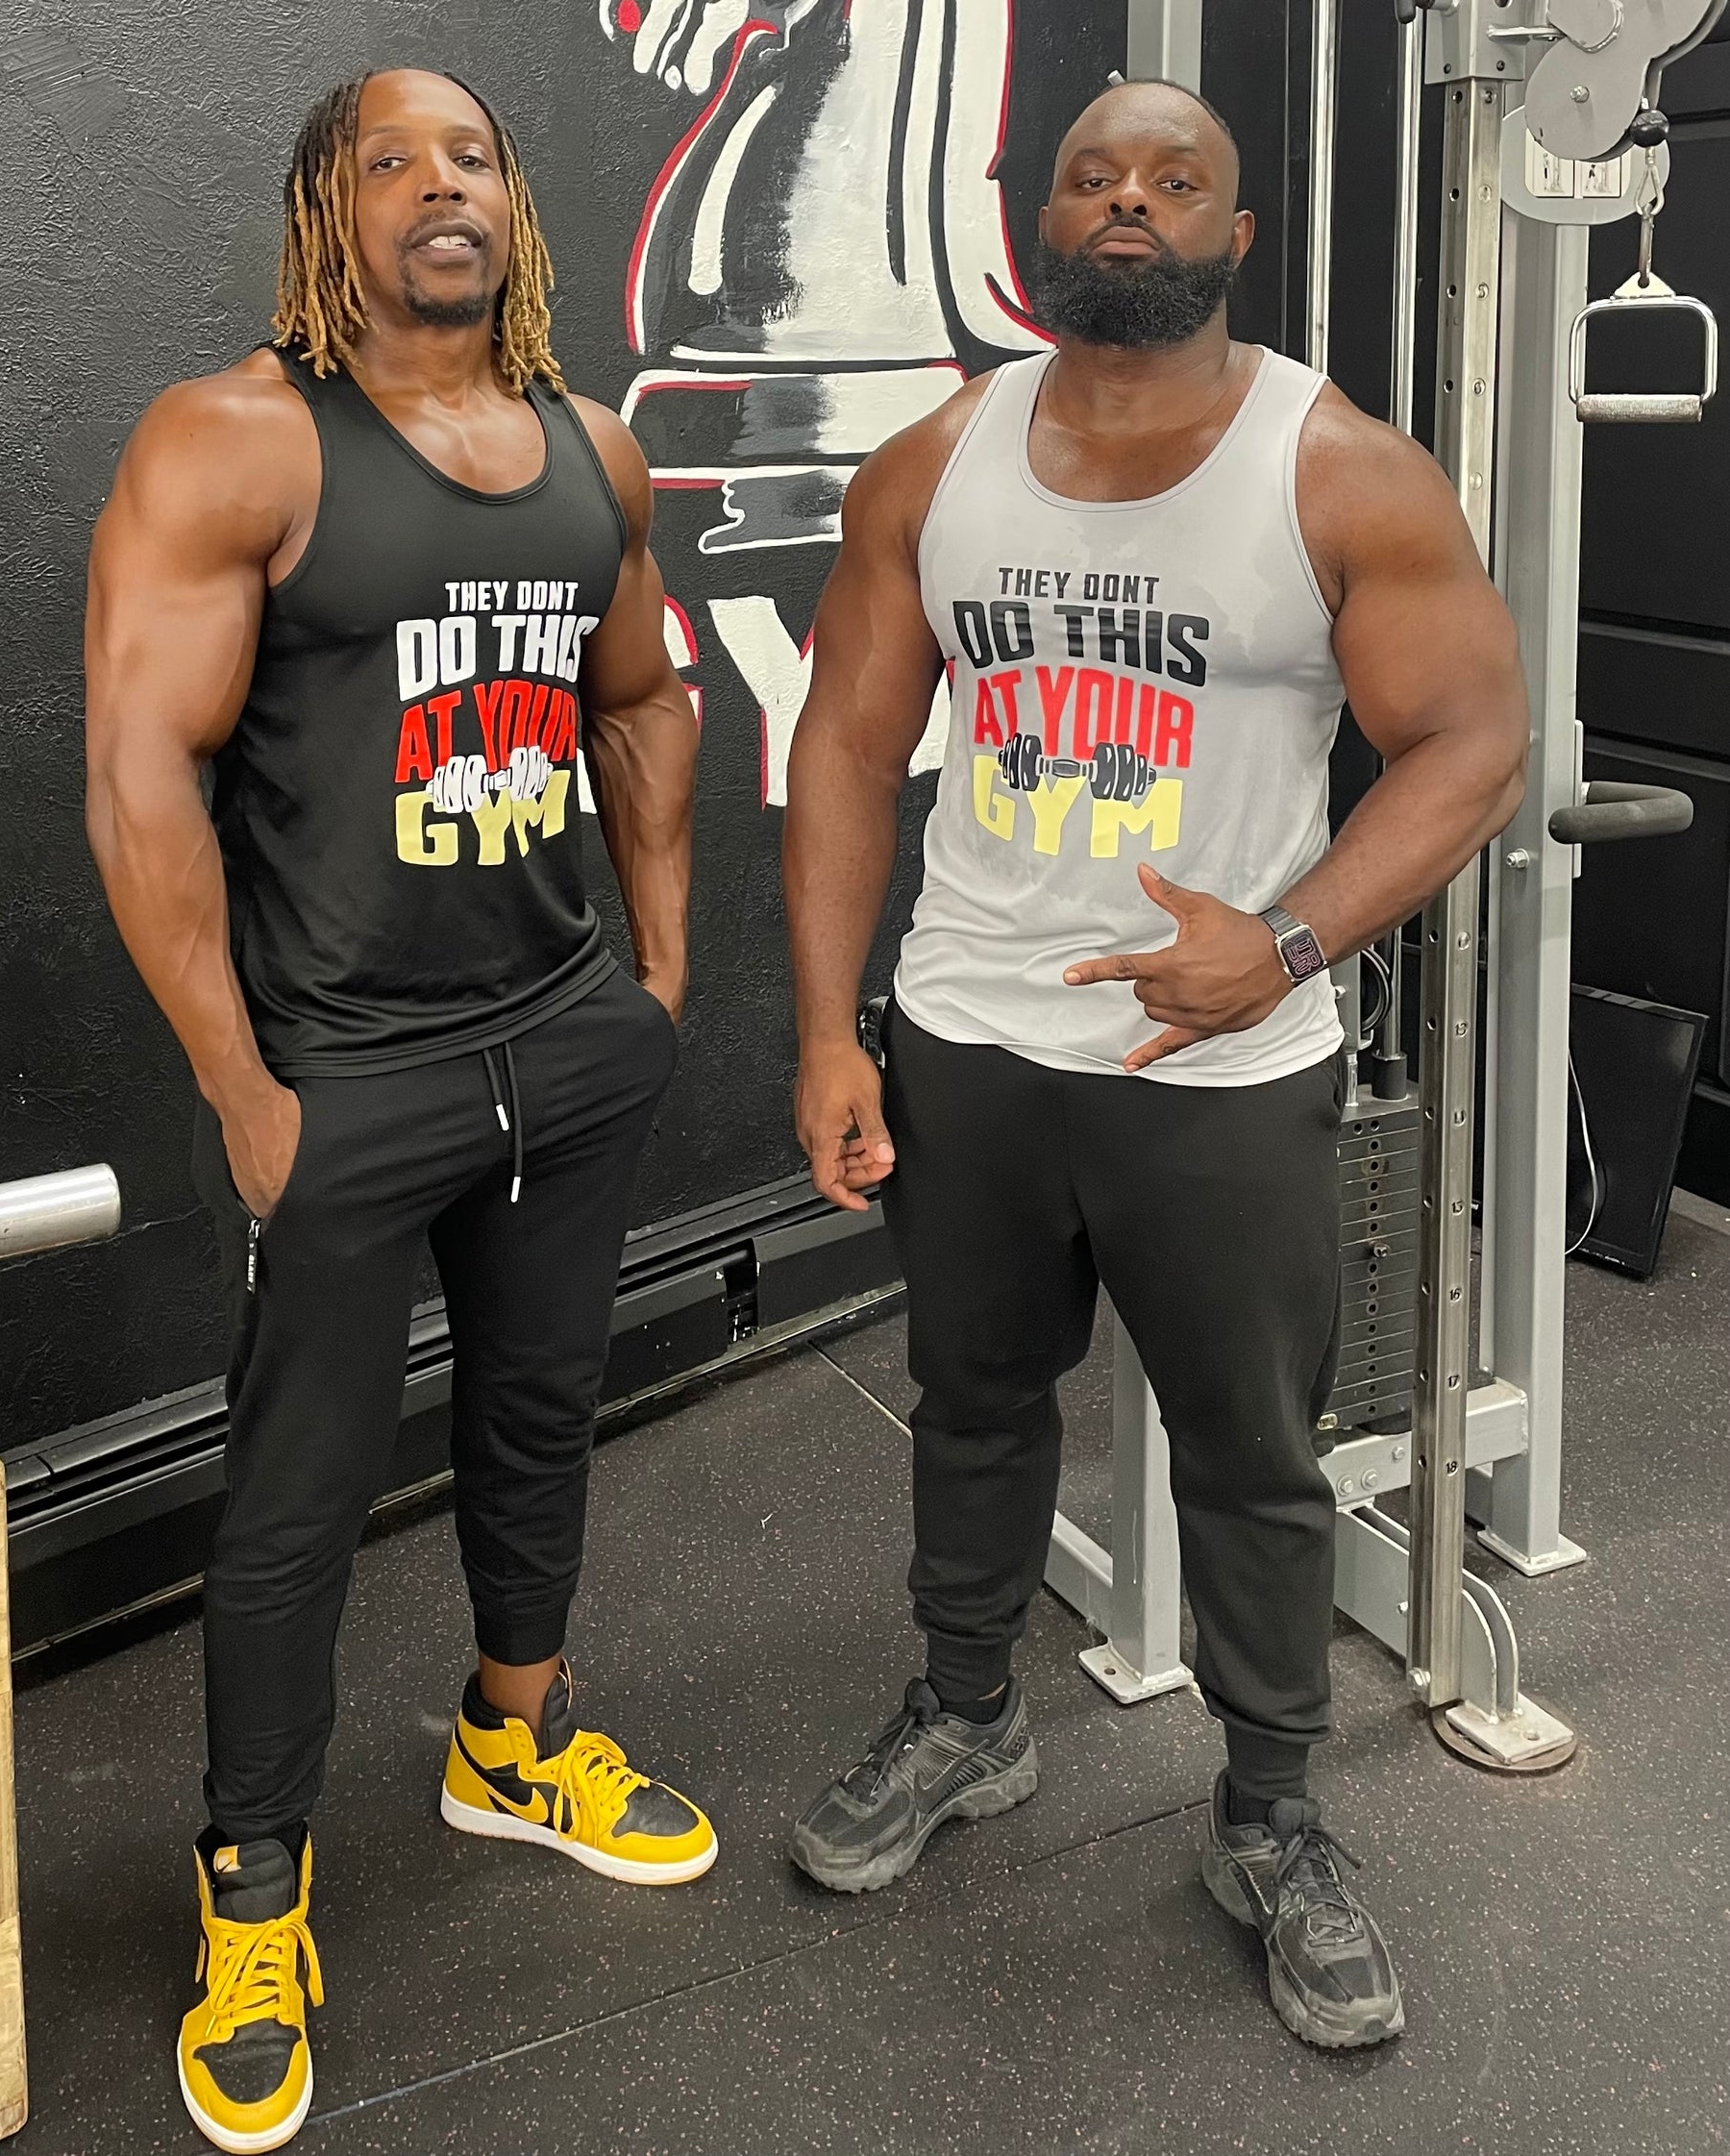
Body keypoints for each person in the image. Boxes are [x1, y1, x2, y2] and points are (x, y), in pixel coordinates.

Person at [781, 78, 1528, 2051]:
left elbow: (1471, 741)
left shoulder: (1338, 471)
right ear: (1043, 224)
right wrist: (825, 1032)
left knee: (1254, 1456)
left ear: (1233, 234)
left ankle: (1271, 1816)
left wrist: (1277, 944)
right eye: (1091, 176)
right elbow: (844, 743)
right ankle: (966, 1716)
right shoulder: (934, 464)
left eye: (1173, 181)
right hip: (971, 1034)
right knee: (971, 1403)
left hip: (1221, 1065)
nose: (1128, 201)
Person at [85, 68, 710, 2152]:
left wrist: (657, 978)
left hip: (565, 1039)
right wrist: (243, 1089)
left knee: (541, 1411)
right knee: (296, 1500)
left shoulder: (591, 450)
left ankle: (511, 1745)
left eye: (473, 157)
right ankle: (253, 1888)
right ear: (321, 212)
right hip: (345, 1075)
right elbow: (140, 781)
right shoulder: (236, 442)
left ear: (511, 204)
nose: (441, 185)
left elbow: (639, 701)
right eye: (389, 161)